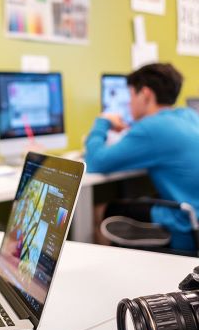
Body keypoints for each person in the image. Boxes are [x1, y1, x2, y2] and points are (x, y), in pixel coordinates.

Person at [84, 63, 199, 250]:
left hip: (185, 222)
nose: (129, 104)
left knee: (99, 211)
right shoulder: (188, 115)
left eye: (130, 96)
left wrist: (102, 122)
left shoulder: (151, 128)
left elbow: (95, 162)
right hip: (194, 214)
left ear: (145, 94)